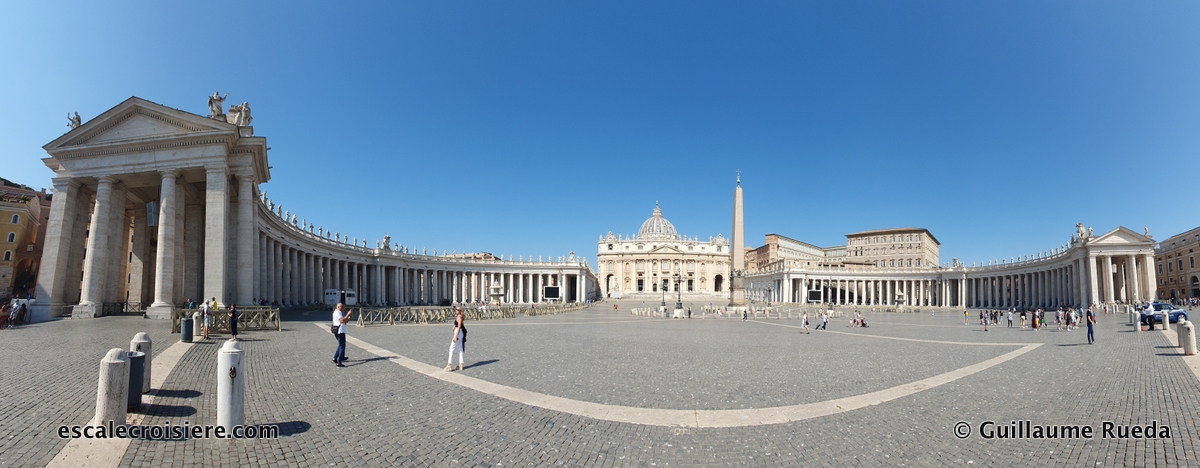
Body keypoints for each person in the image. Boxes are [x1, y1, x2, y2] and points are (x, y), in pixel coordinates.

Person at [331, 303, 353, 367]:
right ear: (338, 307)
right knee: (342, 346)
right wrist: (348, 314)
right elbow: (342, 320)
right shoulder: (337, 313)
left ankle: (335, 358)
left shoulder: (339, 313)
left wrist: (350, 316)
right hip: (339, 331)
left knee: (340, 345)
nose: (343, 308)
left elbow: (345, 321)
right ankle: (339, 362)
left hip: (340, 331)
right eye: (342, 307)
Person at [445, 307, 467, 371]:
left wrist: (456, 336)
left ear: (460, 311)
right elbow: (457, 324)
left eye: (457, 310)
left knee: (451, 348)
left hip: (458, 333)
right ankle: (461, 364)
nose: (456, 310)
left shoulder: (459, 317)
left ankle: (449, 365)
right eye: (456, 309)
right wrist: (454, 327)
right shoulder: (458, 316)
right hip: (459, 333)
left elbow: (459, 326)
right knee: (460, 348)